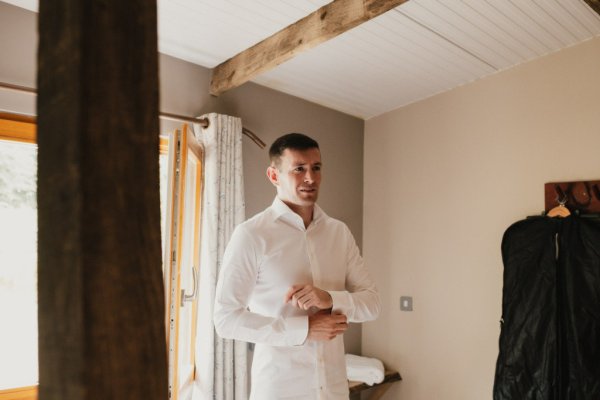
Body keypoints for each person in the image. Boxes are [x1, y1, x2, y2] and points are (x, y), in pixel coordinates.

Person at [213, 133, 380, 399]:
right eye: (298, 169)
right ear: (274, 175)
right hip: (280, 390)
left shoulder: (339, 233)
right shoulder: (251, 235)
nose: (310, 178)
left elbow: (372, 304)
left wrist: (330, 299)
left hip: (334, 390)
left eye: (316, 167)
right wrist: (303, 330)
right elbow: (226, 319)